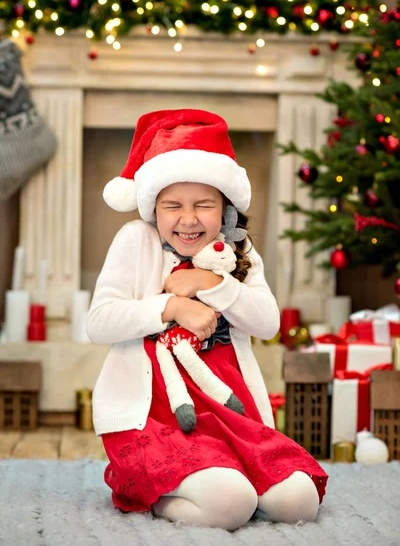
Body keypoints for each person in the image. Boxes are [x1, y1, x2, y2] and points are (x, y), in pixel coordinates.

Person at [87, 109, 328, 531]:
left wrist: (213, 283)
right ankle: (161, 495)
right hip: (157, 413)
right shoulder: (135, 240)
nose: (188, 218)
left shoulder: (238, 251)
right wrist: (172, 306)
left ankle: (228, 483)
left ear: (225, 210)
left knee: (299, 501)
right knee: (229, 503)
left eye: (204, 205)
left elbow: (267, 323)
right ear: (154, 209)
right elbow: (100, 321)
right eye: (173, 206)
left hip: (228, 407)